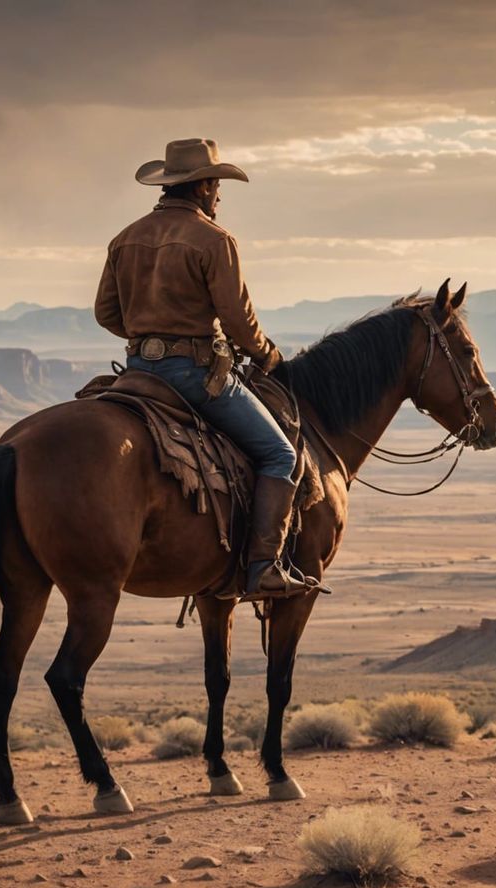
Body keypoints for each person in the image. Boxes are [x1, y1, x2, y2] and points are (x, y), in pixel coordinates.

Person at [93, 138, 311, 601]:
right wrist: (267, 353)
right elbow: (238, 320)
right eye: (216, 186)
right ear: (203, 186)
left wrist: (147, 334)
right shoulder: (215, 241)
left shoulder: (124, 238)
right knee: (280, 456)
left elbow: (106, 314)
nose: (219, 196)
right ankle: (263, 567)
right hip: (193, 376)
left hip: (137, 372)